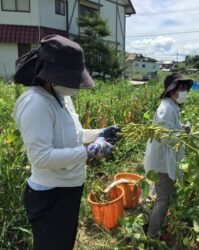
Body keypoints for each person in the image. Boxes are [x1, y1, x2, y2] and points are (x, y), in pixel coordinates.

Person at [12, 35, 120, 250]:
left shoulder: (61, 96)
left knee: (64, 243)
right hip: (50, 195)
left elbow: (74, 134)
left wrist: (101, 133)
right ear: (52, 74)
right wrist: (90, 151)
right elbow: (42, 157)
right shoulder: (35, 103)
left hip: (69, 188)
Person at [144, 73, 193, 239]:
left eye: (186, 88)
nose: (184, 91)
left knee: (160, 195)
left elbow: (170, 129)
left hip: (164, 159)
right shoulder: (166, 109)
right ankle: (152, 234)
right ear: (172, 91)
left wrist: (181, 128)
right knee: (163, 199)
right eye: (181, 88)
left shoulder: (171, 106)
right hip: (162, 162)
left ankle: (150, 222)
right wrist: (184, 134)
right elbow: (166, 136)